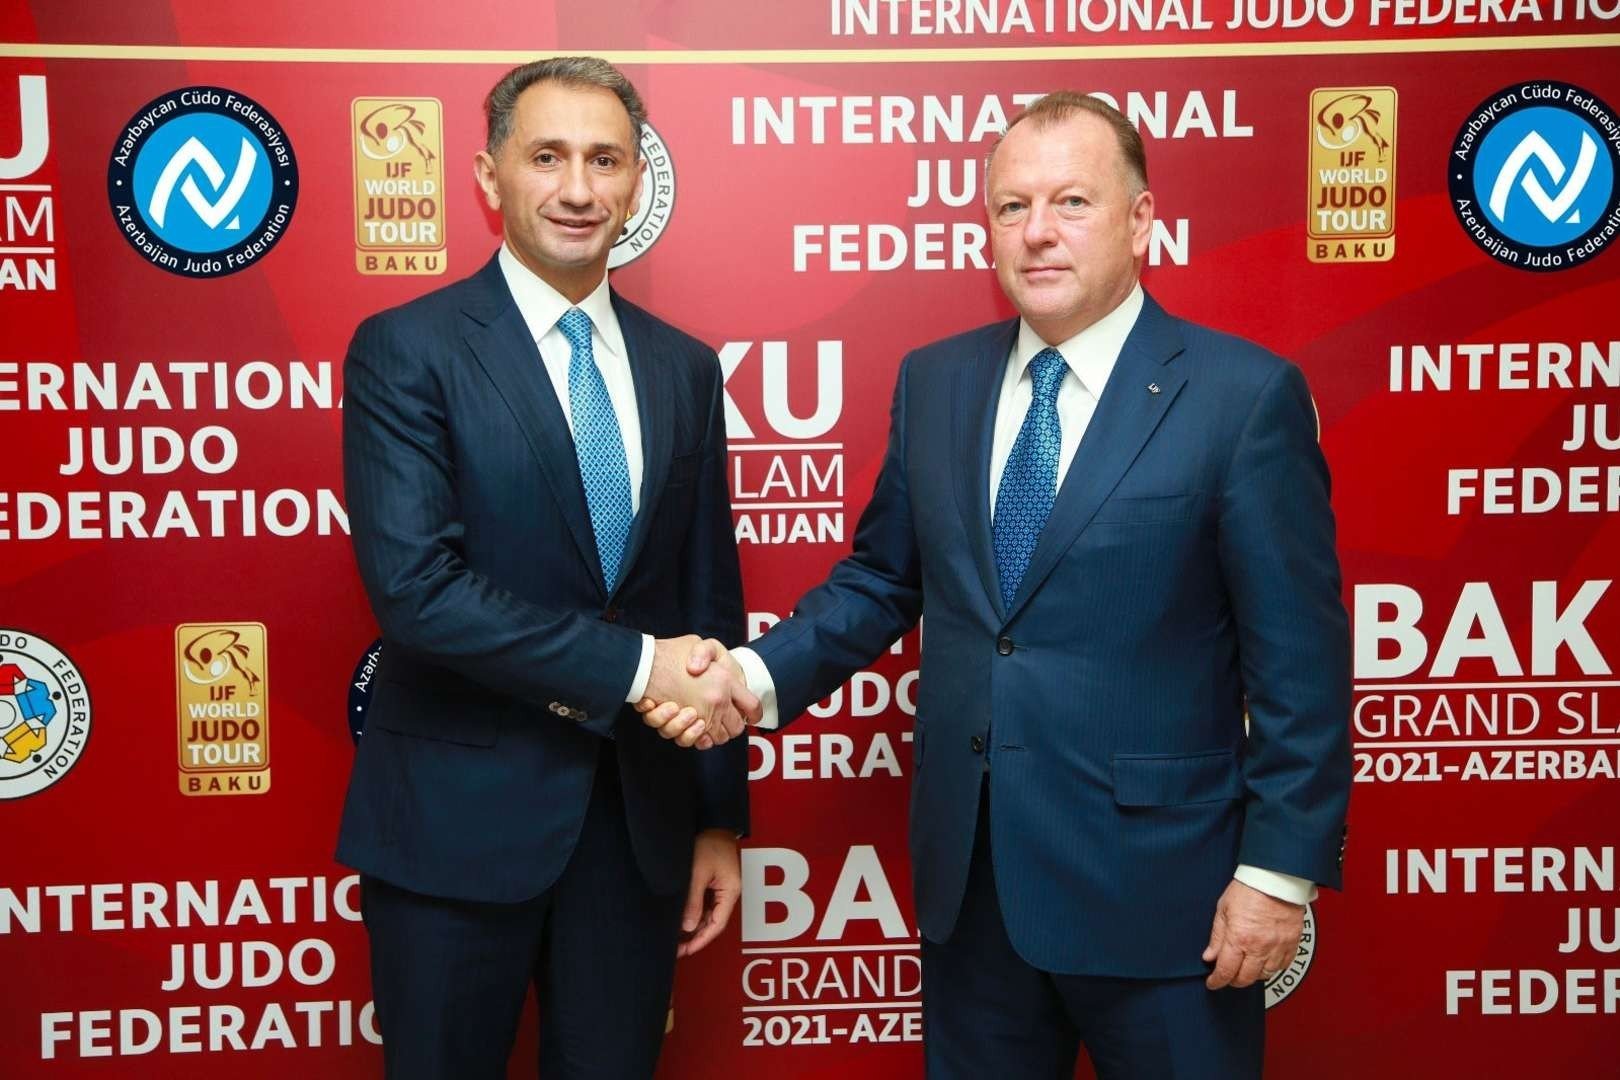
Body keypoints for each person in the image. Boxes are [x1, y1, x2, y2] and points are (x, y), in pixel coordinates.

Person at [643, 91, 1351, 1078]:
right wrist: (748, 681)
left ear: (1141, 220)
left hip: (1171, 901)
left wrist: (1277, 874)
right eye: (1012, 207)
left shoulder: (1242, 396)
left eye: (1072, 202)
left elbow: (1300, 664)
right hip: (975, 893)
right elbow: (882, 579)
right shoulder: (938, 381)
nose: (1038, 232)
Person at [337, 57, 760, 1079]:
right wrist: (636, 669)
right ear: (489, 176)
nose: (578, 188)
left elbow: (706, 597)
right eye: (547, 157)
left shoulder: (684, 367)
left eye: (605, 160)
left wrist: (716, 817)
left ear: (638, 180)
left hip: (637, 831)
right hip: (452, 828)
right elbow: (417, 593)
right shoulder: (407, 349)